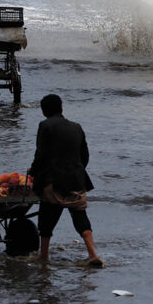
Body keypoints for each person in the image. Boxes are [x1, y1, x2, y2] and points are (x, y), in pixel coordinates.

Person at [29, 94, 103, 267]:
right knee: (80, 216)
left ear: (44, 111)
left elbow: (40, 155)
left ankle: (44, 256)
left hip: (53, 181)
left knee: (46, 215)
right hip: (76, 181)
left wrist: (33, 171)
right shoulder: (77, 127)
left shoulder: (45, 125)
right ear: (61, 108)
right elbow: (84, 157)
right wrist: (75, 171)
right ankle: (92, 254)